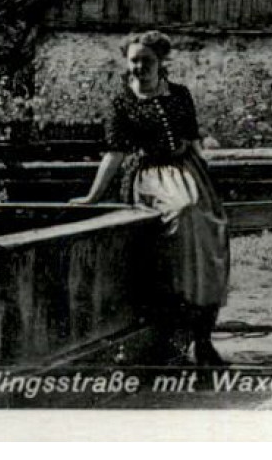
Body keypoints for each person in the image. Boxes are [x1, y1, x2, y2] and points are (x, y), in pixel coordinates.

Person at [73, 31, 230, 366]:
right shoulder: (122, 102)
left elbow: (192, 138)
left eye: (147, 61)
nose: (140, 67)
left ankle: (203, 337)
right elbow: (115, 153)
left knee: (212, 233)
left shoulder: (180, 95)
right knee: (184, 217)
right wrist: (92, 197)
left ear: (161, 63)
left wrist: (204, 160)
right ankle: (174, 337)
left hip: (189, 172)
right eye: (134, 61)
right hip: (150, 176)